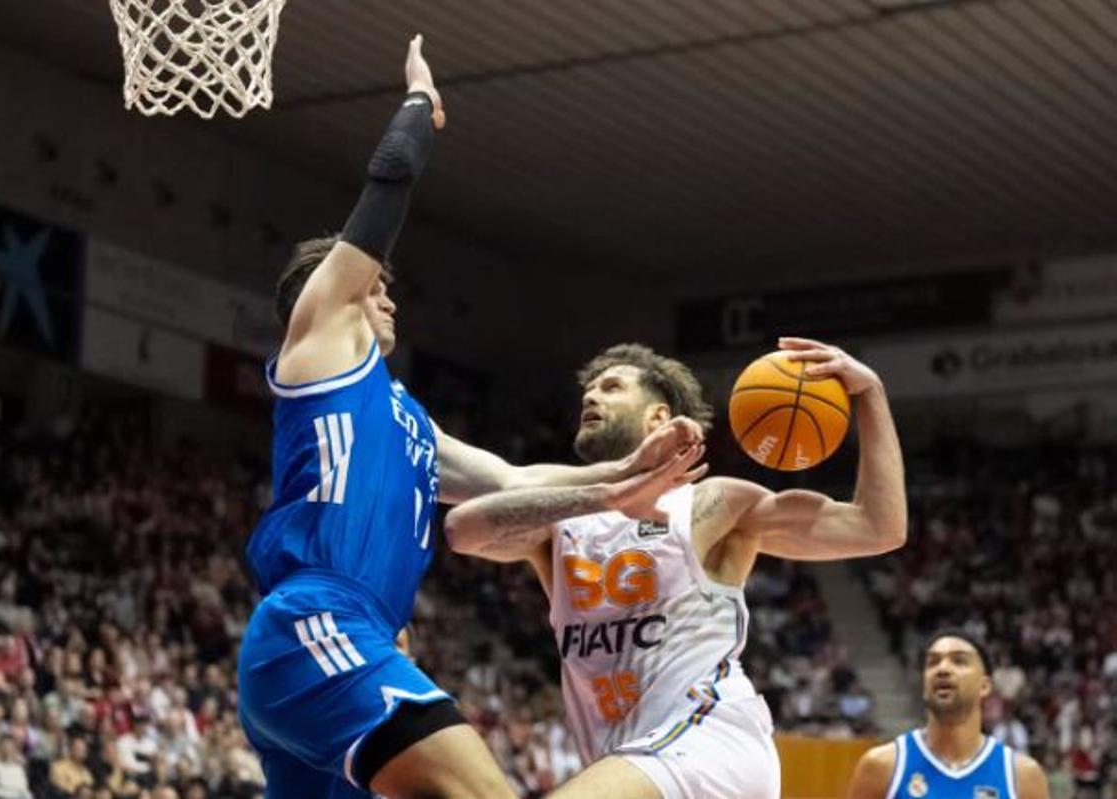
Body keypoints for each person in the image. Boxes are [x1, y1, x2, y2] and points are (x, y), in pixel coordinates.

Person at [236, 37, 699, 799]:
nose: (389, 295)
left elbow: (510, 479)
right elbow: (384, 191)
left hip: (350, 639)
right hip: (314, 623)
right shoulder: (318, 342)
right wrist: (419, 105)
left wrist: (624, 474)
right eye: (377, 285)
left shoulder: (407, 422)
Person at [444, 339, 909, 799]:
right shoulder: (561, 519)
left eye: (612, 387)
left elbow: (878, 527)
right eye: (589, 390)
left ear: (659, 417)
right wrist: (605, 492)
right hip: (628, 756)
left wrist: (870, 395)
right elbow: (464, 531)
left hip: (708, 743)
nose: (591, 396)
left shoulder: (711, 502)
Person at [847, 629, 1049, 799]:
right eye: (932, 662)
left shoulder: (1023, 777)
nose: (942, 669)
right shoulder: (881, 767)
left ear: (985, 686)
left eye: (959, 661)